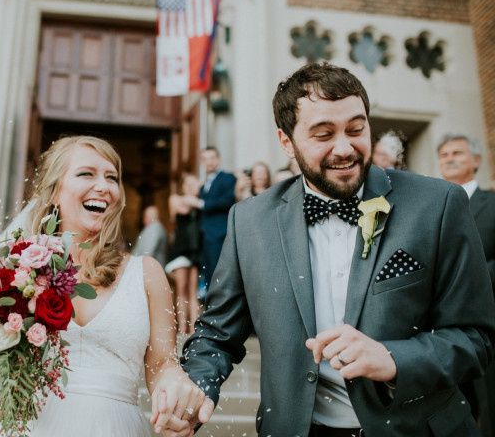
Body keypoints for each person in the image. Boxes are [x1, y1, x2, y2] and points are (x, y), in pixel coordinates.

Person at [155, 62, 495, 436]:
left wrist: (393, 358)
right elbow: (218, 333)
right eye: (323, 134)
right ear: (286, 142)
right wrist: (196, 389)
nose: (346, 148)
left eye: (356, 129)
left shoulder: (438, 204)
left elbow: (475, 337)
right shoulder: (249, 221)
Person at [0, 136, 204, 436]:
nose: (104, 186)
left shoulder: (147, 273)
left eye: (112, 177)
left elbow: (163, 364)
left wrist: (173, 392)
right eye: (87, 173)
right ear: (55, 191)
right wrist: (10, 333)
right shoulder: (11, 271)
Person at [438, 132, 495, 436]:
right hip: (446, 329)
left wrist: (472, 276)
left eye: (457, 153)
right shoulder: (434, 209)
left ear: (476, 160)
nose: (449, 158)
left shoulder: (493, 203)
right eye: (444, 154)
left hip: (489, 322)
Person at [195, 147, 236, 295]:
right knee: (208, 277)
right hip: (205, 236)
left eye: (212, 158)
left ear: (218, 159)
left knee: (220, 276)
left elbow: (228, 200)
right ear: (202, 162)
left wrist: (202, 204)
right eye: (205, 159)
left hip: (219, 234)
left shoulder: (228, 178)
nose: (209, 162)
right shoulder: (204, 183)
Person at [164, 173, 201, 334]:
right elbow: (183, 209)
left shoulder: (198, 201)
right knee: (181, 290)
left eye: (195, 184)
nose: (193, 187)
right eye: (189, 184)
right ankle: (181, 327)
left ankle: (193, 328)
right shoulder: (175, 198)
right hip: (180, 248)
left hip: (195, 248)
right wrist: (198, 200)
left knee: (193, 291)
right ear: (184, 185)